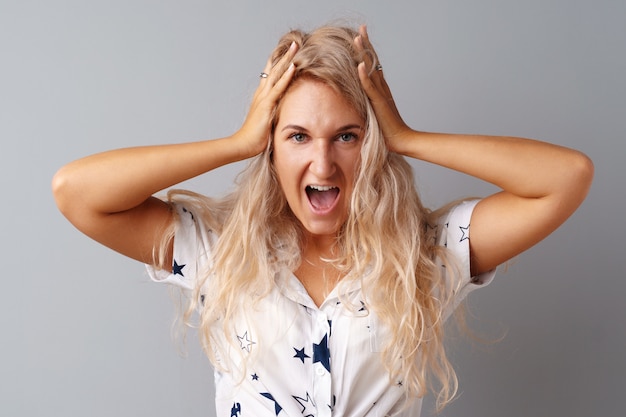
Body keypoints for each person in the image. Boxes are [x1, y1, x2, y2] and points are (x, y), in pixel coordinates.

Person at [52, 24, 593, 416]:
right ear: (272, 149)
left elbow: (566, 177)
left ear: (370, 144)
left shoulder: (424, 254)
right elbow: (76, 192)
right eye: (297, 137)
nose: (323, 163)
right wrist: (235, 143)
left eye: (347, 136)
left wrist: (408, 138)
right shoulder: (219, 251)